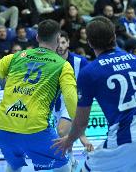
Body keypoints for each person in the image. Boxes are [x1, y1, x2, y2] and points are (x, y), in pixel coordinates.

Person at [52, 16, 136, 172]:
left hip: (125, 140)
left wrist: (69, 140)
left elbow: (81, 122)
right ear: (114, 37)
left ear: (90, 43)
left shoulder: (91, 71)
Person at [0, 19, 77, 172]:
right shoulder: (62, 65)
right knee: (64, 165)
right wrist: (79, 131)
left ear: (37, 37)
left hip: (3, 124)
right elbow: (71, 99)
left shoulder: (16, 57)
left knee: (14, 164)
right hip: (35, 128)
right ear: (57, 38)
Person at [54, 31, 93, 170]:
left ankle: (70, 160)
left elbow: (90, 79)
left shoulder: (80, 61)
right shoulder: (49, 62)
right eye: (57, 42)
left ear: (68, 43)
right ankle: (71, 158)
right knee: (57, 137)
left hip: (71, 101)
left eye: (63, 42)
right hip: (53, 103)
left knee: (62, 131)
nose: (60, 46)